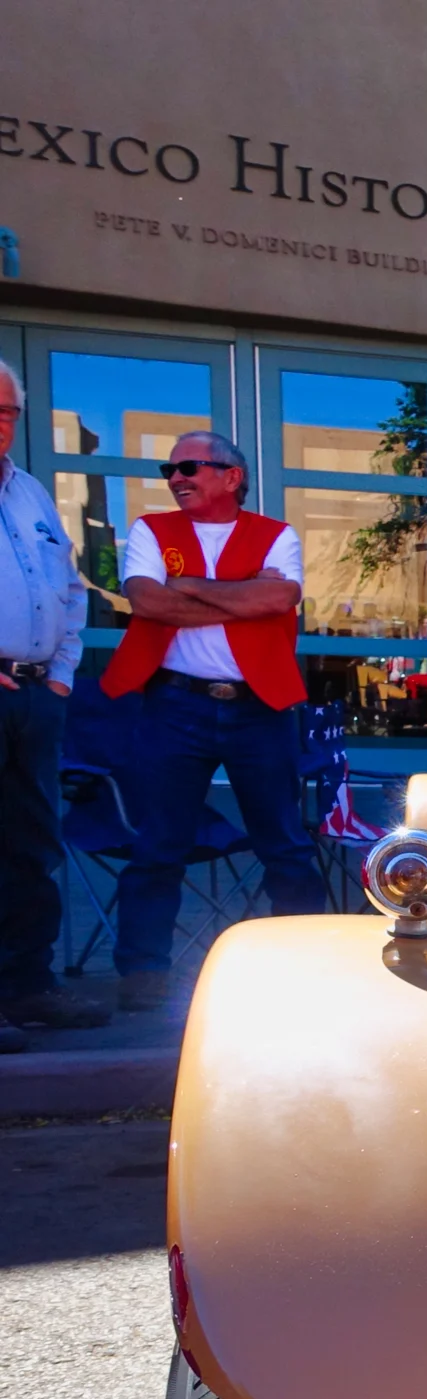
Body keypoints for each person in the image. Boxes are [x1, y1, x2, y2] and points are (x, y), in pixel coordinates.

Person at [103, 431, 327, 1012]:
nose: (177, 477)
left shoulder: (276, 534)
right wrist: (242, 595)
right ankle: (144, 971)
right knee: (159, 845)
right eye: (169, 468)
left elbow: (278, 602)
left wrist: (192, 590)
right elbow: (148, 603)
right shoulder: (151, 531)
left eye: (191, 467)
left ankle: (310, 962)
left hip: (260, 708)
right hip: (175, 706)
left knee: (285, 843)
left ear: (232, 476)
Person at [0, 361, 111, 1050]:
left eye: (8, 410)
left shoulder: (31, 492)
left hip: (36, 696)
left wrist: (63, 674)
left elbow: (69, 590)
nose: (0, 422)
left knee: (31, 846)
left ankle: (26, 985)